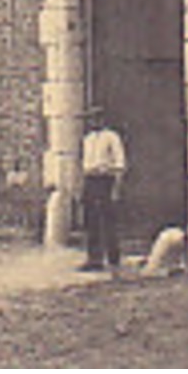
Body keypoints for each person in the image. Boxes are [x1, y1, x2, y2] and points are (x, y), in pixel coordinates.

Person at [79, 105, 127, 271]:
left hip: (105, 180)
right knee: (91, 221)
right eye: (91, 119)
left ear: (103, 120)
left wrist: (116, 188)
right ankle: (94, 259)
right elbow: (85, 164)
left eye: (96, 118)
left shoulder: (112, 137)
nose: (93, 122)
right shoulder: (88, 139)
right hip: (90, 180)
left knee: (108, 220)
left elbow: (120, 165)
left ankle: (113, 258)